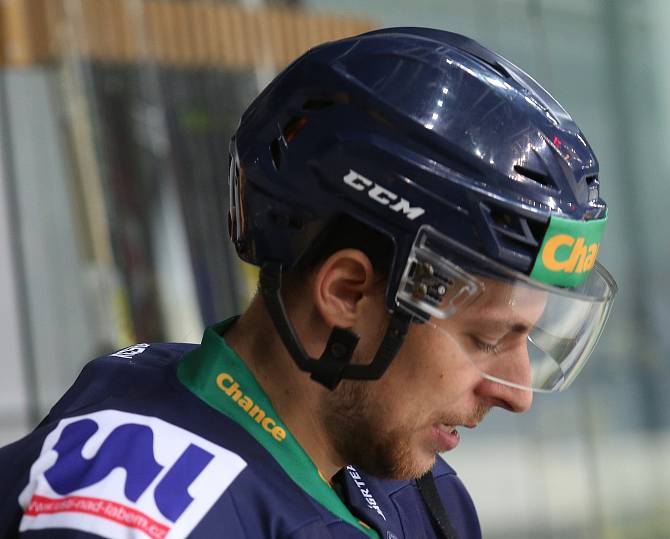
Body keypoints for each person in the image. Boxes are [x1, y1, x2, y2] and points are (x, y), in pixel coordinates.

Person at [0, 27, 616, 539]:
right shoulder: (135, 512)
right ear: (347, 291)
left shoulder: (412, 491)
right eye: (487, 338)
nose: (518, 393)